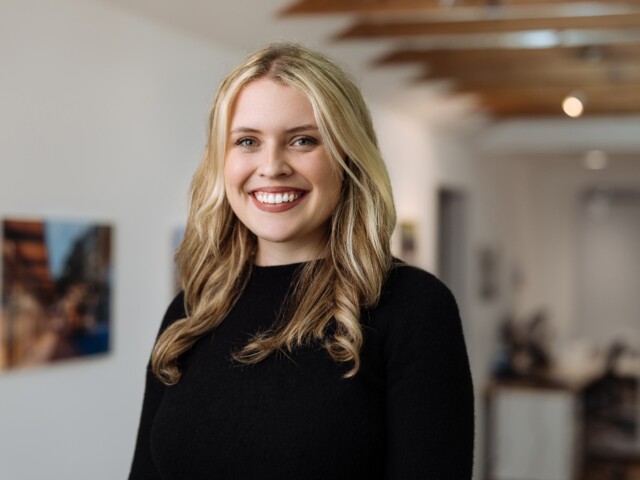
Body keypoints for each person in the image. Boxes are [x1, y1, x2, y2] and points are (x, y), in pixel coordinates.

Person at [129, 42, 474, 479]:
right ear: (221, 160)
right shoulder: (191, 312)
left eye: (303, 140)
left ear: (348, 156)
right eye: (247, 141)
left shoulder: (413, 308)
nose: (271, 166)